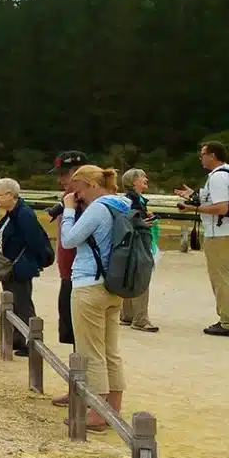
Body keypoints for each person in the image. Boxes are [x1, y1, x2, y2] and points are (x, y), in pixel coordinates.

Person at [60, 164, 132, 432]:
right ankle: (113, 406)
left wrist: (68, 211)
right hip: (115, 284)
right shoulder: (124, 204)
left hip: (89, 284)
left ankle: (97, 411)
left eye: (76, 190)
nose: (75, 195)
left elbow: (69, 240)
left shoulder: (99, 208)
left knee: (91, 351)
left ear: (90, 184)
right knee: (111, 350)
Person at [174, 141, 229, 337]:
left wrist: (191, 208)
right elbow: (218, 201)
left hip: (219, 233)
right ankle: (227, 319)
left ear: (213, 155)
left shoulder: (217, 177)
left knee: (220, 278)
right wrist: (194, 196)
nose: (200, 157)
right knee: (222, 275)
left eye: (203, 154)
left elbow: (222, 208)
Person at [0, 178, 54, 356]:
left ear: (10, 195)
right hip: (9, 267)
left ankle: (29, 341)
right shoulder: (11, 214)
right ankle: (17, 337)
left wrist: (35, 262)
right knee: (13, 302)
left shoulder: (24, 214)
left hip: (20, 266)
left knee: (23, 303)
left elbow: (35, 241)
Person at [45, 150, 87, 408]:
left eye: (65, 175)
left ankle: (85, 392)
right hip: (67, 274)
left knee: (84, 340)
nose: (61, 181)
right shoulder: (69, 200)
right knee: (73, 337)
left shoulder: (88, 204)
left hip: (80, 276)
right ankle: (77, 387)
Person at [120, 168, 160, 332]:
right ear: (133, 181)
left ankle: (127, 314)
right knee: (142, 277)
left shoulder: (132, 200)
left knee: (131, 276)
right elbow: (133, 221)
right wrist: (145, 222)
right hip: (139, 243)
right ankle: (140, 319)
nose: (146, 178)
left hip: (131, 243)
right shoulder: (134, 201)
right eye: (142, 176)